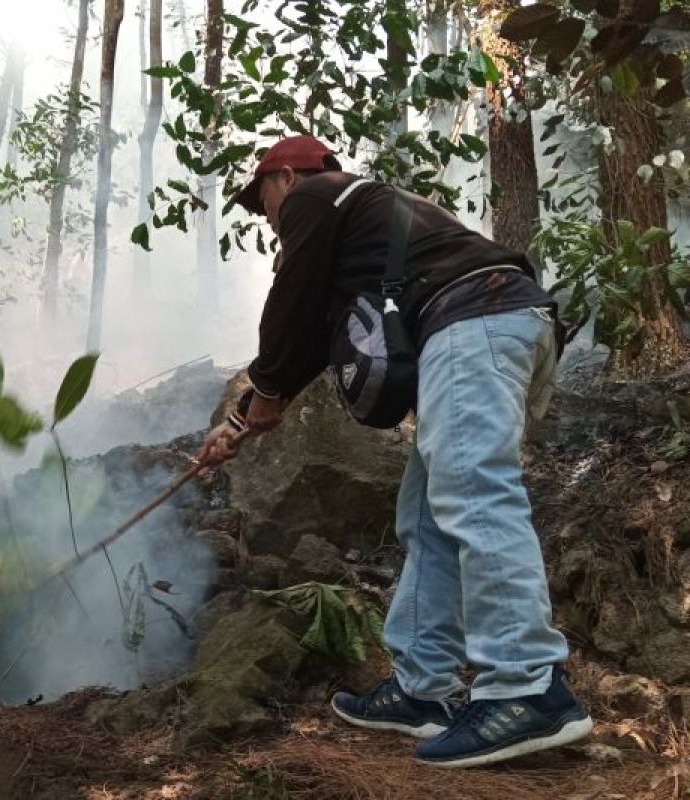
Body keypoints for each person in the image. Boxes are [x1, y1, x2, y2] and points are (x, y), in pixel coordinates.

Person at [195, 135, 593, 768]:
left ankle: (528, 687)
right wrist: (246, 414)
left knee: (472, 493)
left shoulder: (317, 195)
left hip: (474, 324)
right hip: (498, 324)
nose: (264, 216)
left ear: (287, 179)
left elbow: (291, 304)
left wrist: (264, 393)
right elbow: (309, 341)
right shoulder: (368, 217)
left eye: (260, 199)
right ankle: (422, 688)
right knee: (428, 515)